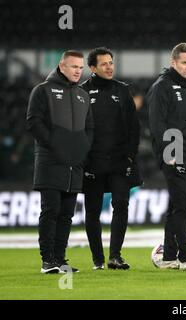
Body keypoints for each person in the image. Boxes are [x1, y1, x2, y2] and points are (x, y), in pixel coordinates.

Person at [26, 50, 93, 274]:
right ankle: (47, 261)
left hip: (74, 164)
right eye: (73, 66)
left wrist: (82, 149)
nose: (78, 71)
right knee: (51, 210)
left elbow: (89, 128)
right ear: (61, 66)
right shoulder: (42, 90)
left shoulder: (83, 95)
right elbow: (34, 122)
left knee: (66, 214)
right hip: (51, 162)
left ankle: (59, 259)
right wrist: (56, 145)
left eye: (80, 67)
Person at [80, 47, 140, 270]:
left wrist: (130, 157)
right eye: (104, 64)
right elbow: (77, 130)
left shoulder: (123, 91)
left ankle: (115, 256)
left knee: (121, 205)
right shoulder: (82, 92)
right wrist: (83, 159)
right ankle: (98, 260)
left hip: (119, 161)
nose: (109, 67)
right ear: (93, 68)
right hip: (93, 162)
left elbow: (134, 127)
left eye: (111, 63)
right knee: (93, 211)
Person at [147, 43, 186, 270]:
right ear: (173, 62)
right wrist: (167, 152)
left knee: (177, 208)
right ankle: (185, 257)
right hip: (175, 156)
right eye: (184, 62)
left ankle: (169, 256)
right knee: (183, 207)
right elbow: (156, 123)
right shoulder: (162, 87)